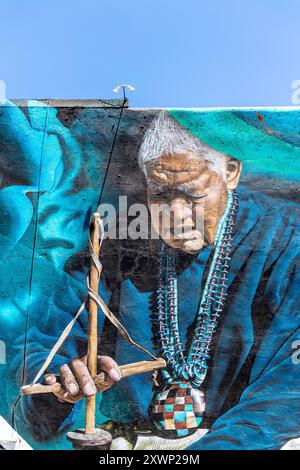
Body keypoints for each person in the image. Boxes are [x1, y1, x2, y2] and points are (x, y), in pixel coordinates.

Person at [19, 111, 300, 450]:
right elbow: (43, 352)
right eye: (162, 195)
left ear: (231, 172)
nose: (176, 215)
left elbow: (287, 392)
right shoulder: (116, 246)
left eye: (192, 194)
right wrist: (60, 382)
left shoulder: (287, 243)